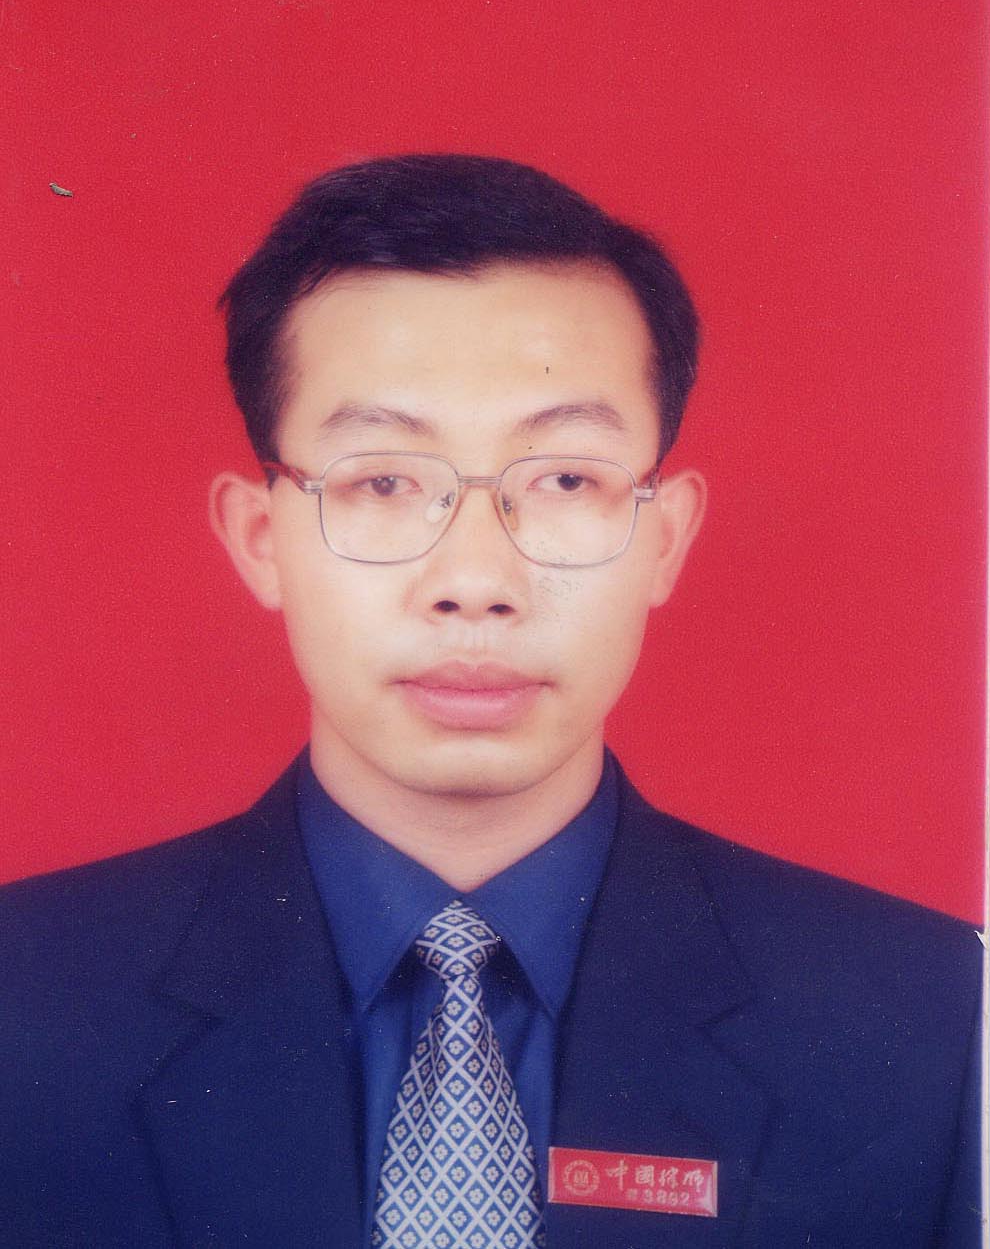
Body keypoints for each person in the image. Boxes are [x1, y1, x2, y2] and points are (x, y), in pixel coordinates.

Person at [0, 155, 981, 1248]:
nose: (476, 581)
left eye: (565, 479)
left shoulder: (936, 1018)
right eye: (382, 480)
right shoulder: (24, 998)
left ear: (665, 539)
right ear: (260, 540)